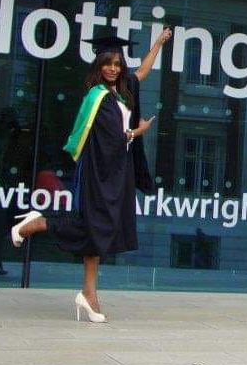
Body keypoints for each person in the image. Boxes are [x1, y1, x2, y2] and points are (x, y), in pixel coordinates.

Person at [11, 27, 172, 322]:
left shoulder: (121, 91)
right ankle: (37, 223)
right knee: (93, 226)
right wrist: (139, 131)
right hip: (100, 172)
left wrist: (159, 43)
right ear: (98, 66)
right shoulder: (98, 97)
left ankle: (89, 293)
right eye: (107, 64)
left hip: (116, 172)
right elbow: (114, 137)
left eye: (117, 64)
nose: (112, 69)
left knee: (100, 231)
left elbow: (143, 72)